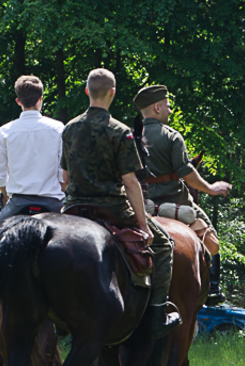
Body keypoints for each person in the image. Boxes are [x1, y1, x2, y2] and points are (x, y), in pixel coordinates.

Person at [60, 68, 178, 336]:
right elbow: (131, 182)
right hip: (112, 207)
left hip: (74, 208)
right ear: (112, 93)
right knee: (164, 245)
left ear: (87, 91)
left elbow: (64, 179)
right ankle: (158, 312)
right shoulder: (120, 132)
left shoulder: (69, 129)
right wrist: (143, 225)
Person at [132, 84, 233, 305]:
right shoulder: (171, 136)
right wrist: (211, 188)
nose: (170, 111)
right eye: (167, 106)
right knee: (213, 243)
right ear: (157, 107)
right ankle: (212, 288)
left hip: (140, 204)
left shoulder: (128, 137)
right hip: (174, 201)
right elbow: (186, 172)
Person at [0, 75, 66, 224]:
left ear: (18, 101)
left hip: (18, 203)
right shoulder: (58, 129)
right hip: (53, 203)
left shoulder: (5, 131)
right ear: (41, 99)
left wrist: (8, 194)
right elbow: (64, 172)